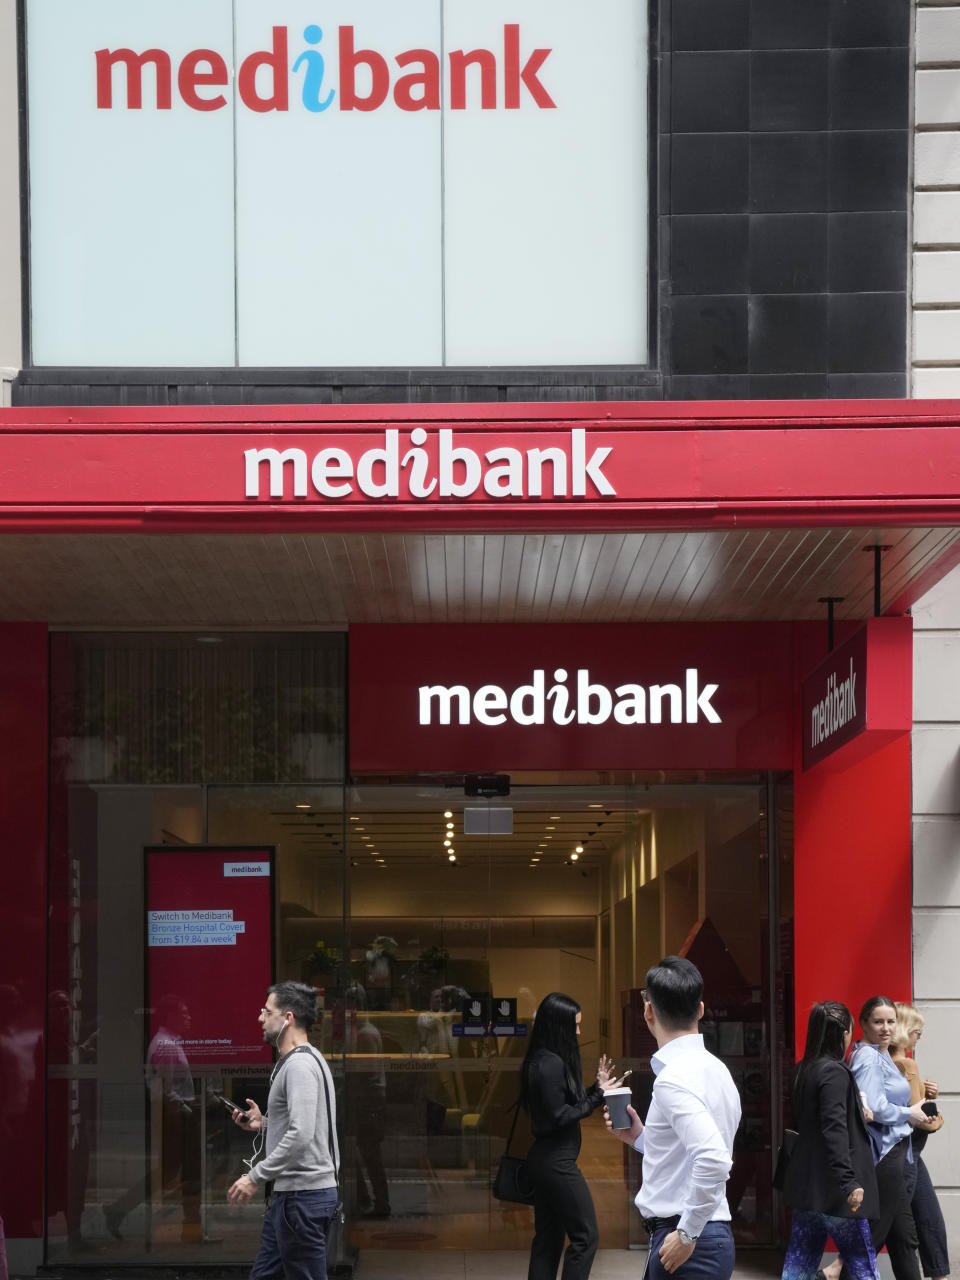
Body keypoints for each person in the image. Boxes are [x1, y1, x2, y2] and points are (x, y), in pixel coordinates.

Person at [605, 956, 741, 1280]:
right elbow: (696, 1152)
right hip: (701, 1237)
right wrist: (642, 1138)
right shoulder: (717, 1070)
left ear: (648, 1012)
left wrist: (686, 1234)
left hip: (689, 1241)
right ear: (701, 1010)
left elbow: (713, 1158)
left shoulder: (673, 1078)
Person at [227, 982, 340, 1280]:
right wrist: (263, 1124)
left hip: (301, 1200)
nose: (260, 1018)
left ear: (287, 1018)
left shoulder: (299, 1066)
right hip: (291, 1199)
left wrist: (255, 1176)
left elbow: (302, 1135)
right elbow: (306, 1127)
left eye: (267, 1011)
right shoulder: (301, 1061)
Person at [825, 997, 937, 1280]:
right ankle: (835, 1271)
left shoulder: (880, 1054)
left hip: (895, 1152)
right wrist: (909, 1112)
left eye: (890, 1022)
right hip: (887, 1155)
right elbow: (871, 1108)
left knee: (902, 1237)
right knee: (872, 1239)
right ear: (863, 1024)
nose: (886, 1028)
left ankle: (837, 1270)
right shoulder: (868, 1056)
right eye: (878, 1022)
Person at [519, 991, 617, 1280]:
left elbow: (563, 1105)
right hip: (555, 1163)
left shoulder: (543, 1059)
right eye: (574, 1025)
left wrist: (595, 1089)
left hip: (546, 1161)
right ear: (557, 1025)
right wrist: (598, 1096)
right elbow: (558, 1116)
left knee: (548, 1243)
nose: (577, 1031)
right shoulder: (550, 1063)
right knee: (586, 1237)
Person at [779, 1002, 880, 1280]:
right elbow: (833, 1129)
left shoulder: (803, 1070)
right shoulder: (834, 1071)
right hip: (836, 1190)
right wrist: (849, 1180)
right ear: (843, 1033)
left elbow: (810, 1124)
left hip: (807, 1187)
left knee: (799, 1265)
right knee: (863, 1266)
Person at [891, 1004, 949, 1280]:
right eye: (917, 1031)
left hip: (902, 1152)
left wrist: (926, 1094)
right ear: (905, 1031)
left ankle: (939, 1275)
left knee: (926, 1217)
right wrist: (939, 1116)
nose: (919, 1036)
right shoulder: (907, 1064)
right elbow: (924, 1120)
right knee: (920, 1224)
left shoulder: (886, 1061)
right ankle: (838, 1268)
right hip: (909, 1152)